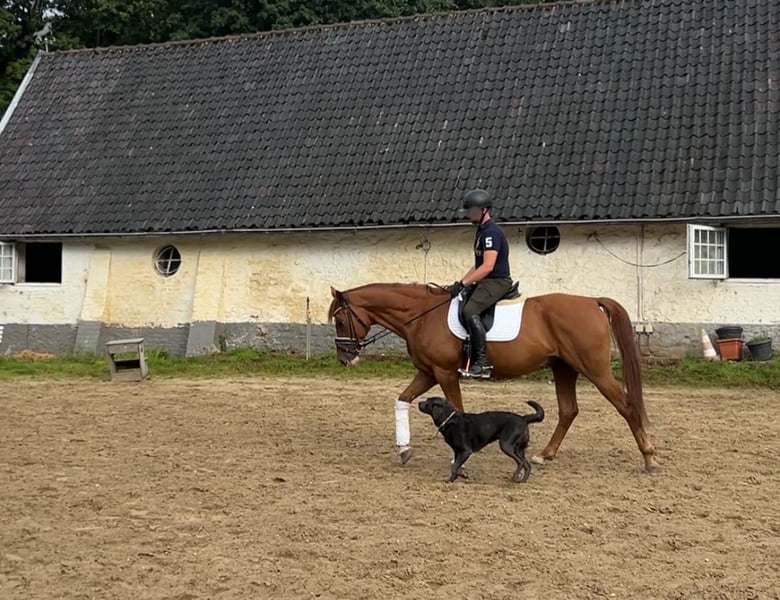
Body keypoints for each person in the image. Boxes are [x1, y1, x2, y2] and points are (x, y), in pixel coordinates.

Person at [449, 189, 513, 379]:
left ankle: (483, 362)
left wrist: (464, 283)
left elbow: (488, 266)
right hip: (486, 280)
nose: (468, 214)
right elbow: (478, 265)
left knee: (470, 311)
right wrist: (459, 283)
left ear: (483, 210)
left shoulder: (491, 233)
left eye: (471, 210)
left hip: (497, 281)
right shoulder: (482, 231)